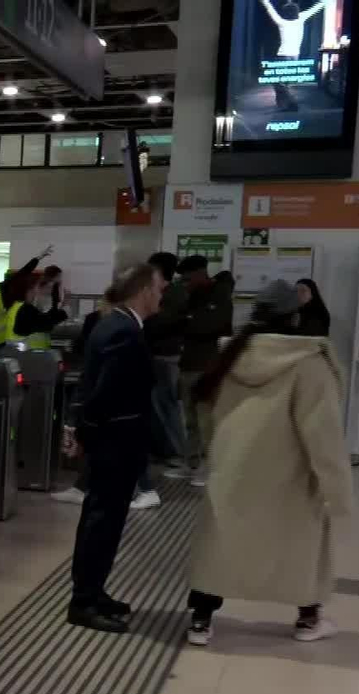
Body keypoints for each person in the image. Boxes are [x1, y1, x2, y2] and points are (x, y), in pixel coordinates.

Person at [183, 280, 350, 645]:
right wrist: (337, 490)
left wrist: (217, 452)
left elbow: (205, 413)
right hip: (288, 477)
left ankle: (201, 619)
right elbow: (323, 433)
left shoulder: (228, 356)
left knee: (221, 544)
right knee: (300, 545)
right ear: (295, 317)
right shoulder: (308, 363)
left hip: (233, 469)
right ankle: (308, 619)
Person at [67, 263, 165, 633]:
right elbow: (104, 392)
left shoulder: (118, 324)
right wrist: (88, 431)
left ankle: (94, 591)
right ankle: (84, 601)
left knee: (105, 521)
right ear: (141, 290)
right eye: (158, 290)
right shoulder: (122, 330)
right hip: (115, 444)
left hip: (114, 442)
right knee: (101, 523)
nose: (161, 297)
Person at [177, 256, 235, 475]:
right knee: (190, 420)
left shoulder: (220, 297)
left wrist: (187, 322)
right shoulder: (191, 297)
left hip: (208, 367)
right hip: (188, 364)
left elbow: (206, 326)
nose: (185, 283)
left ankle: (209, 468)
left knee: (207, 420)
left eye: (188, 278)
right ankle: (191, 463)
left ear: (201, 274)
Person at [143, 252, 191, 472]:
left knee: (168, 405)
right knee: (157, 405)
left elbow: (163, 321)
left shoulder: (175, 293)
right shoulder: (168, 292)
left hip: (166, 354)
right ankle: (161, 449)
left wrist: (145, 320)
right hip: (158, 353)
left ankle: (177, 453)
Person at [3, 264, 69, 348]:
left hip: (19, 347)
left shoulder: (15, 306)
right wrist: (64, 307)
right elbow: (46, 323)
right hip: (29, 348)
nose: (36, 292)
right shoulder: (27, 309)